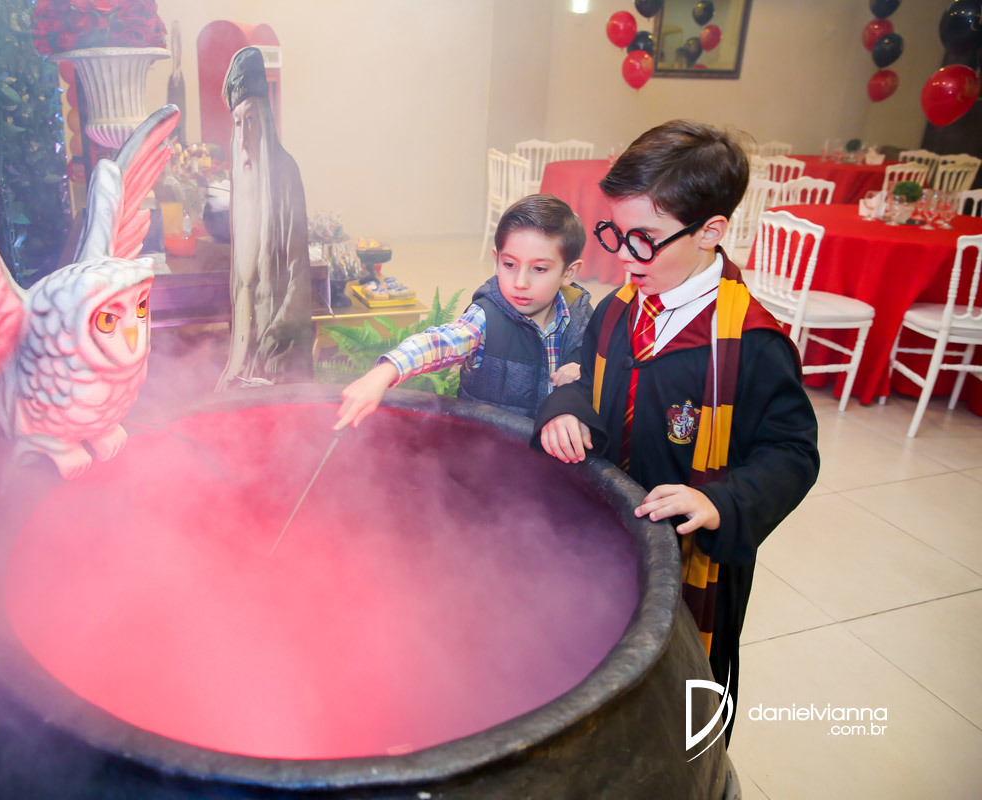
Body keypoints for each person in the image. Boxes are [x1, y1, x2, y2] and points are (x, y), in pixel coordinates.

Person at [533, 120, 818, 742]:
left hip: (693, 556)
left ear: (710, 231)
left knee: (677, 690)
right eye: (617, 234)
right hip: (610, 535)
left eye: (646, 240)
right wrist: (566, 409)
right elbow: (582, 377)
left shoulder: (752, 344)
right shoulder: (617, 311)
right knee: (599, 667)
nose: (623, 256)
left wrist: (720, 502)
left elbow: (792, 453)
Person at [335, 194, 593, 428]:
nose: (520, 282)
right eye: (510, 264)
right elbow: (440, 342)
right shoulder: (485, 318)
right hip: (490, 451)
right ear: (496, 260)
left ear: (568, 272)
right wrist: (384, 372)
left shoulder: (581, 316)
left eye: (539, 269)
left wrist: (584, 371)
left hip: (549, 455)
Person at [217, 47, 313, 390]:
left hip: (279, 351)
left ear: (265, 121)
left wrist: (273, 338)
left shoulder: (284, 172)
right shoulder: (242, 180)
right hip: (246, 348)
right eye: (237, 122)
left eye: (251, 120)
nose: (243, 137)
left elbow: (299, 274)